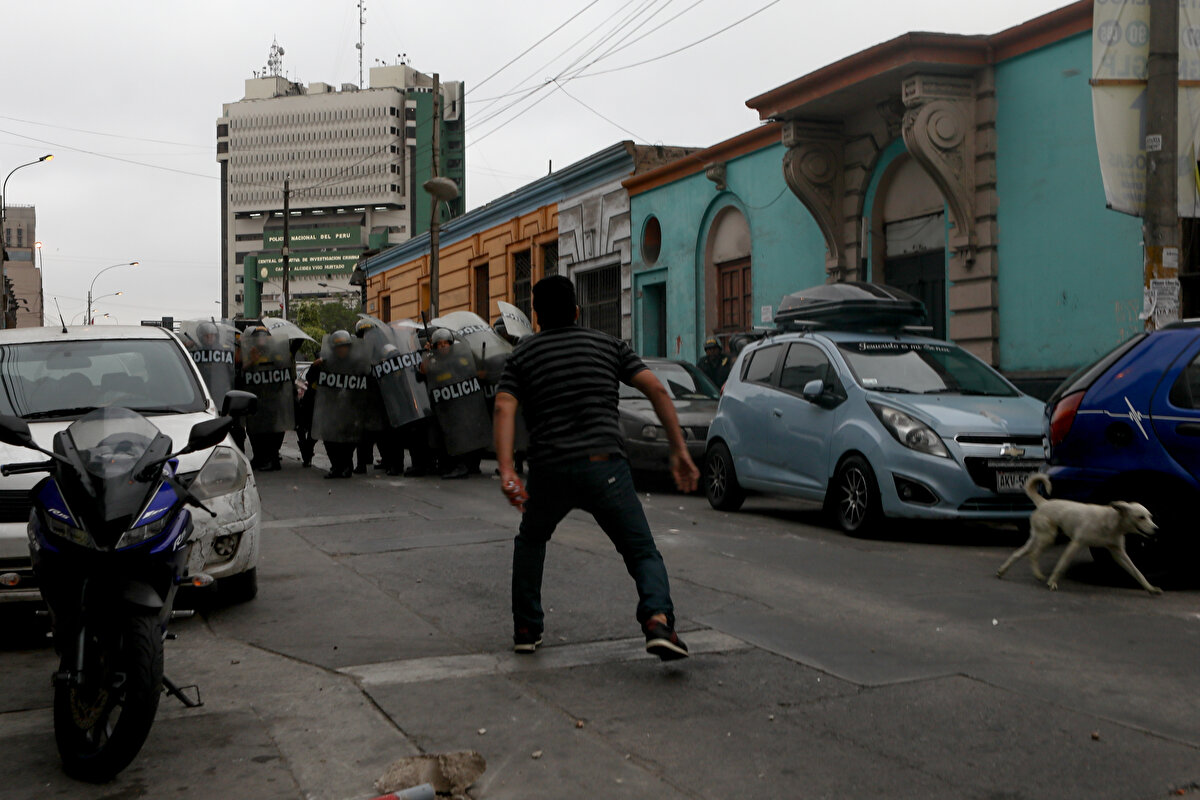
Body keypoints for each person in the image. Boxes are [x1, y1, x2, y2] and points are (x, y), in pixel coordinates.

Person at [493, 275, 700, 661]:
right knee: (640, 550)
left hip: (549, 469)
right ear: (576, 311)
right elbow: (655, 388)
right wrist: (678, 449)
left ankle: (526, 628)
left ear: (535, 317)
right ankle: (657, 620)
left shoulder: (523, 355)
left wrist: (507, 469)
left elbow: (505, 406)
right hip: (605, 466)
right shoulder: (608, 346)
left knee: (531, 542)